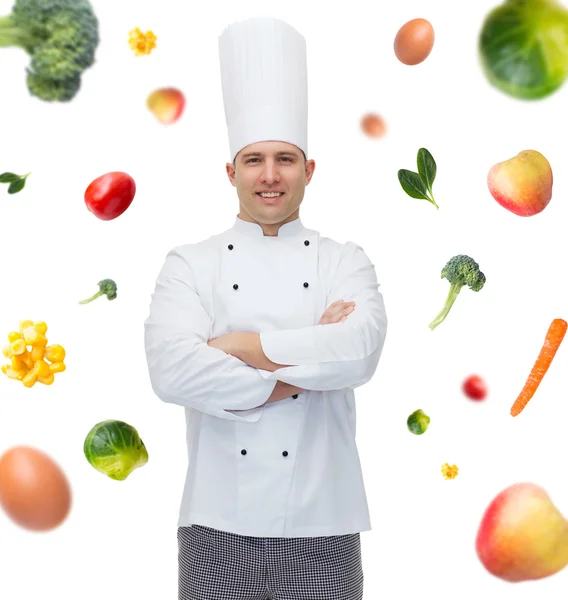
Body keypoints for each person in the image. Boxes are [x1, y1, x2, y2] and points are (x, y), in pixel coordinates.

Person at [144, 15, 388, 600]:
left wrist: (238, 349)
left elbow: (358, 353)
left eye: (286, 158)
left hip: (325, 526)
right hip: (215, 525)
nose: (270, 175)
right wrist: (307, 368)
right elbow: (170, 371)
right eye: (254, 160)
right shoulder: (189, 262)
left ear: (310, 170)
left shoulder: (344, 259)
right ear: (231, 172)